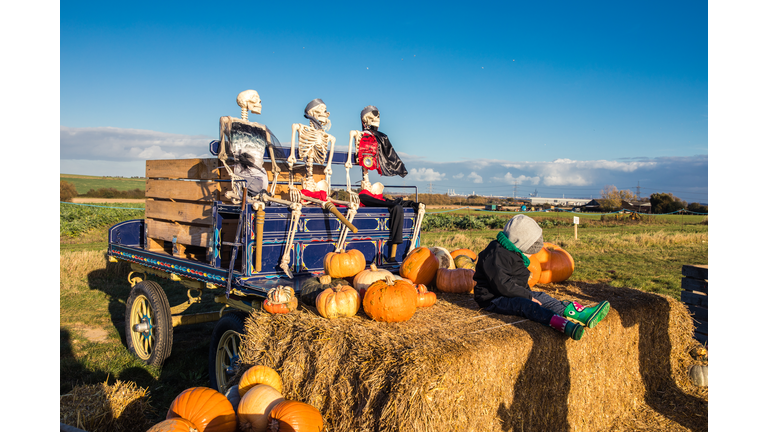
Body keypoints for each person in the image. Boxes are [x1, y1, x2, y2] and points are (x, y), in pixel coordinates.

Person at [473, 214, 610, 340]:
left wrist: (529, 294)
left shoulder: (512, 251)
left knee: (542, 297)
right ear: (521, 240)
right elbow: (503, 284)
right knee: (527, 306)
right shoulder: (495, 255)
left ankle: (580, 314)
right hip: (493, 299)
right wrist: (527, 297)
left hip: (511, 293)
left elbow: (516, 281)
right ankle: (560, 324)